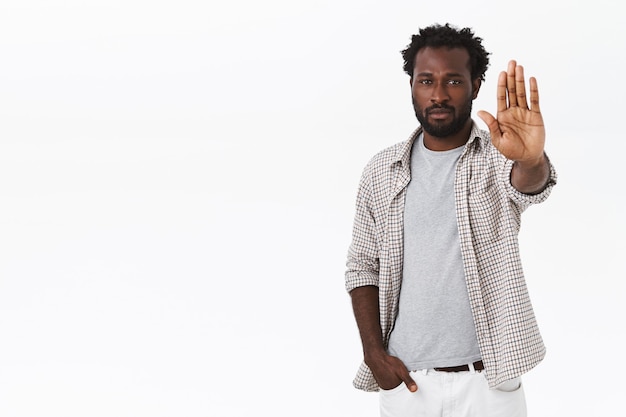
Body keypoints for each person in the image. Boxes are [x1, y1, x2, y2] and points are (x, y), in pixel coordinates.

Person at [345, 23, 557, 417]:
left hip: (490, 384)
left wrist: (529, 158)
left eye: (453, 81)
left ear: (476, 86)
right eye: (426, 80)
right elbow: (361, 267)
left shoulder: (498, 156)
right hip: (408, 383)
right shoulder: (381, 171)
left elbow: (530, 186)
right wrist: (374, 354)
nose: (438, 94)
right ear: (411, 85)